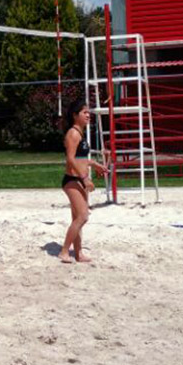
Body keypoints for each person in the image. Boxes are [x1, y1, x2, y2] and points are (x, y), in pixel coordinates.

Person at [60, 100, 105, 264]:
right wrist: (85, 178)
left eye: (88, 112)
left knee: (77, 218)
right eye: (84, 112)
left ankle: (78, 253)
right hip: (73, 180)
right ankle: (64, 251)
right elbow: (70, 159)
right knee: (83, 216)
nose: (88, 115)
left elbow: (80, 159)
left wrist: (94, 164)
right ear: (75, 115)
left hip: (78, 179)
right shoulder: (73, 133)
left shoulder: (80, 133)